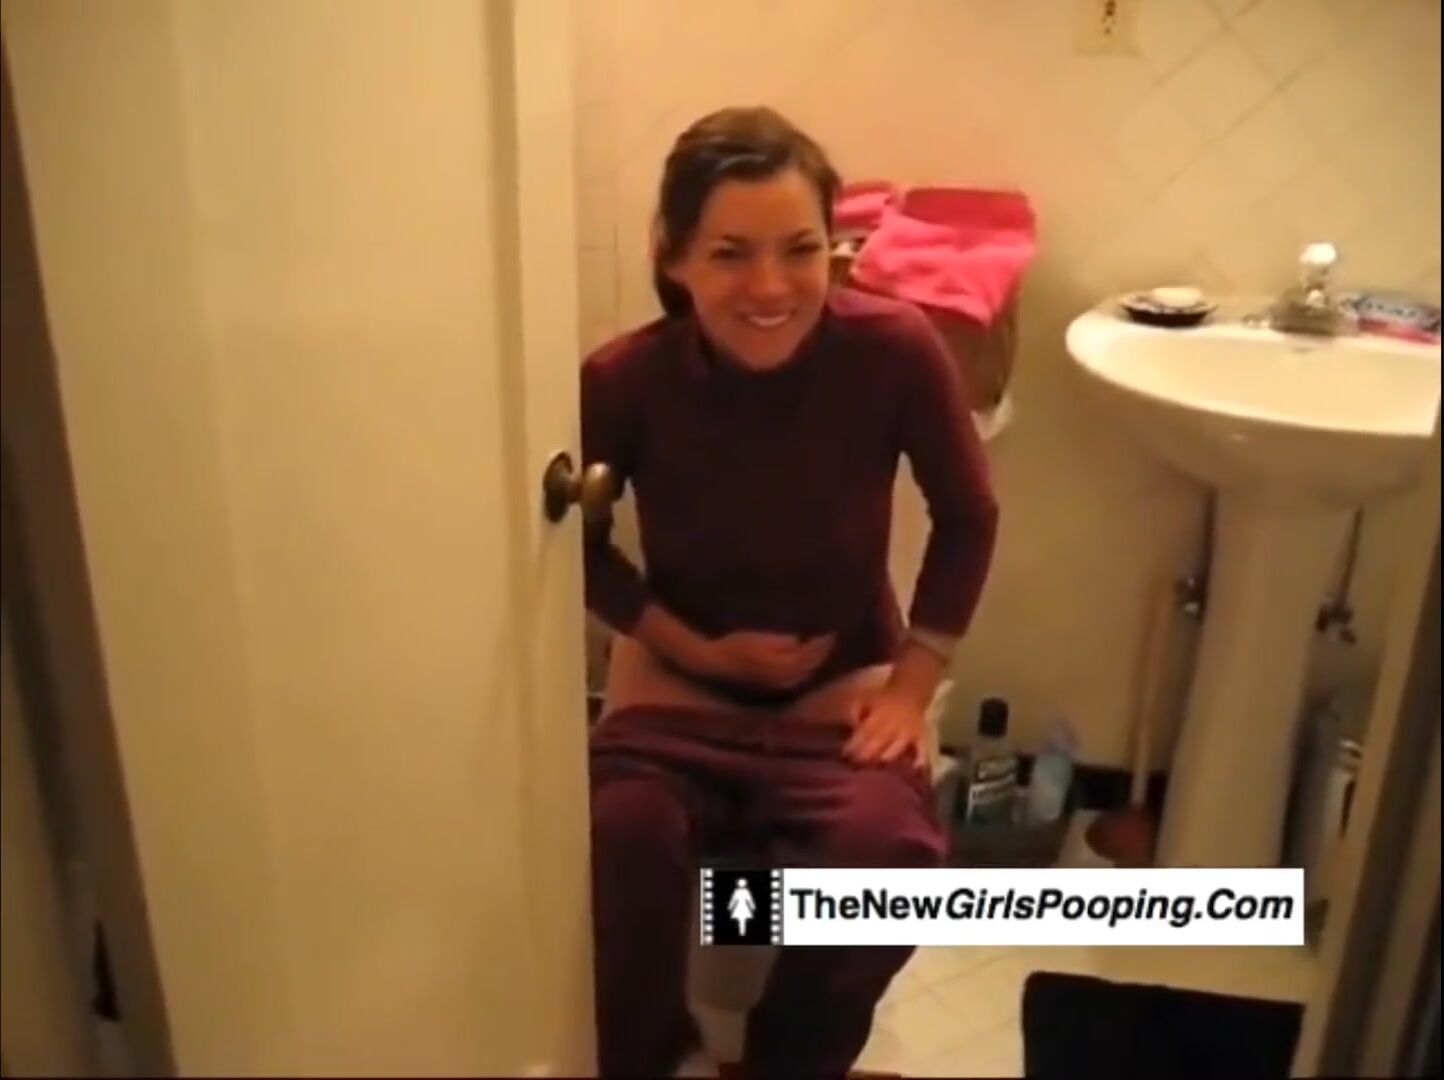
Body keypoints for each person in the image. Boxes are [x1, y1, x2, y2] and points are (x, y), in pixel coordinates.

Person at [582, 106, 999, 1078]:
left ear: (834, 250)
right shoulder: (624, 380)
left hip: (838, 692)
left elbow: (969, 514)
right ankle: (658, 1061)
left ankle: (789, 1063)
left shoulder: (893, 350)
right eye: (730, 254)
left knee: (885, 865)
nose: (769, 287)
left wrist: (910, 690)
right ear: (673, 255)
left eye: (800, 250)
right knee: (619, 846)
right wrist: (693, 648)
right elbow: (574, 544)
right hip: (680, 682)